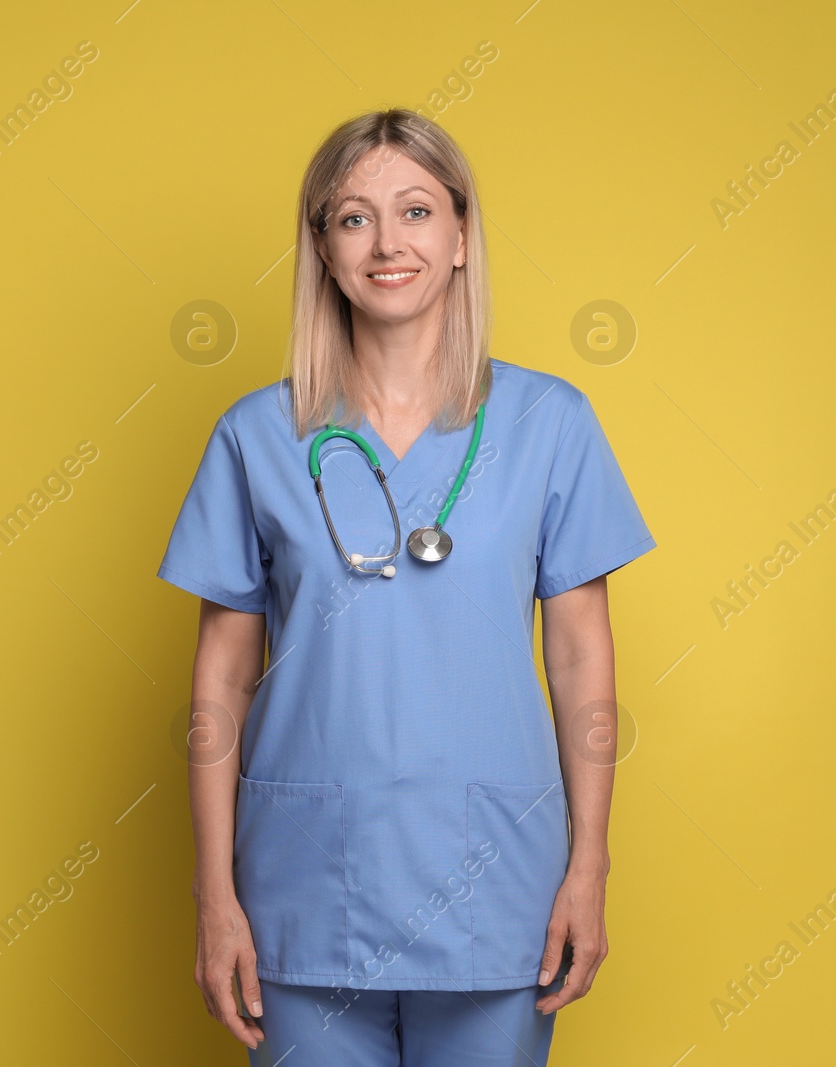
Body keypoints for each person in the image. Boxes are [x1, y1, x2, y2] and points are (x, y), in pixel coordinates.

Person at [157, 108, 655, 1066]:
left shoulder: (551, 422)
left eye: (417, 211)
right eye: (354, 218)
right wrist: (214, 894)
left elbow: (582, 658)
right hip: (303, 887)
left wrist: (588, 863)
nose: (389, 243)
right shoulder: (256, 436)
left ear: (461, 237)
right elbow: (219, 681)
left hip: (496, 882)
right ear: (323, 250)